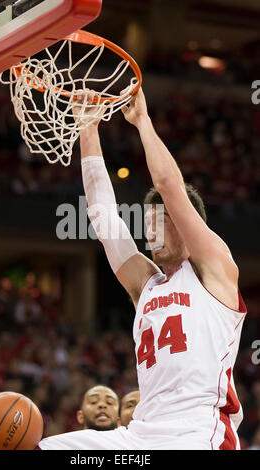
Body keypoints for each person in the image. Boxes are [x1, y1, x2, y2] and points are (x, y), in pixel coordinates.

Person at [38, 87, 247, 450]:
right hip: (140, 435)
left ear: (186, 224)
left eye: (161, 221)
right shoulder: (146, 284)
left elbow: (168, 185)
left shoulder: (214, 268)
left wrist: (142, 122)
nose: (150, 231)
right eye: (146, 223)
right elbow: (103, 216)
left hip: (197, 431)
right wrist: (88, 129)